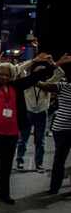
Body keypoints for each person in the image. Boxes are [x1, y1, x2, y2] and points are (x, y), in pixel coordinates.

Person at [0, 50, 54, 205]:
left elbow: (35, 77)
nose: (4, 77)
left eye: (7, 74)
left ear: (12, 76)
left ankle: (3, 193)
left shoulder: (17, 86)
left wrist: (53, 64)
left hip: (10, 134)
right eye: (1, 74)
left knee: (6, 166)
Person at [36, 54, 71, 194]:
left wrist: (33, 77)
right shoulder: (62, 85)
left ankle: (54, 188)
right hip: (62, 127)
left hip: (61, 127)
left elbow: (41, 84)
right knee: (59, 159)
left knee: (59, 159)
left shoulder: (62, 86)